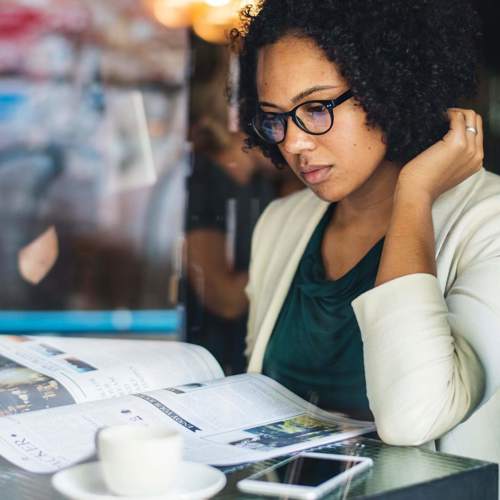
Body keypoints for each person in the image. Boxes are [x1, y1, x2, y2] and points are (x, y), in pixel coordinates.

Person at [231, 0, 500, 464]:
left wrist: (413, 194)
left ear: (388, 88)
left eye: (316, 107)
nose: (293, 142)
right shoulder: (281, 223)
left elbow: (413, 416)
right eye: (274, 116)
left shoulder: (489, 223)